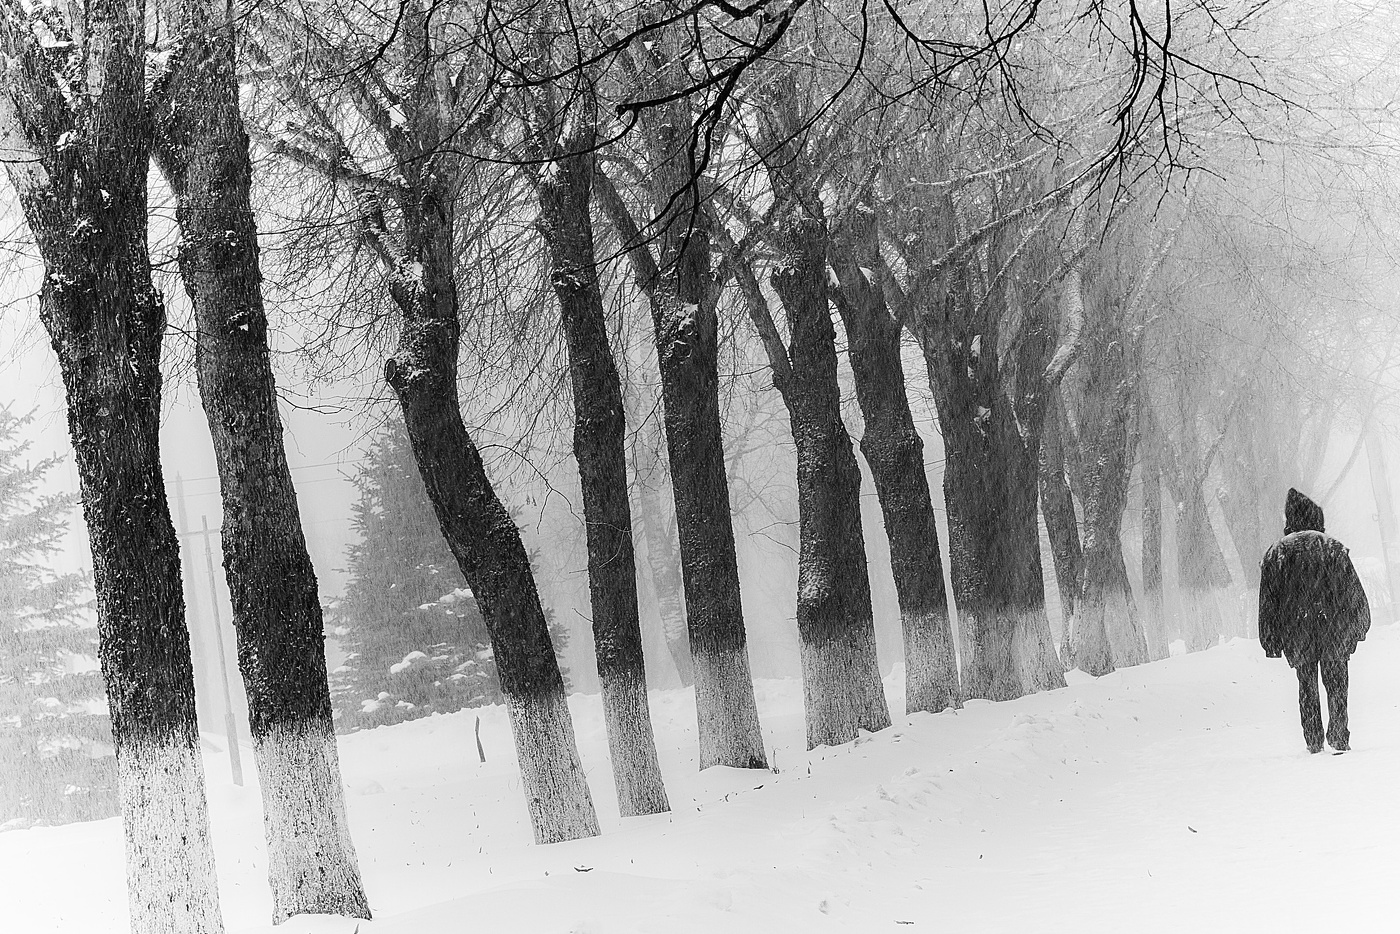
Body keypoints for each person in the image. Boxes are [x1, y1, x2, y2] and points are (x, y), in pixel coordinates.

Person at [1259, 489, 1371, 754]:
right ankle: (1339, 734)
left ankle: (1313, 738)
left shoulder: (1278, 554)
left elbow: (1269, 603)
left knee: (1306, 684)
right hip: (1335, 629)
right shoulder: (1332, 549)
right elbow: (1353, 592)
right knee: (1337, 683)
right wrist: (1358, 627)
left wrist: (1271, 640)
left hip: (1297, 631)